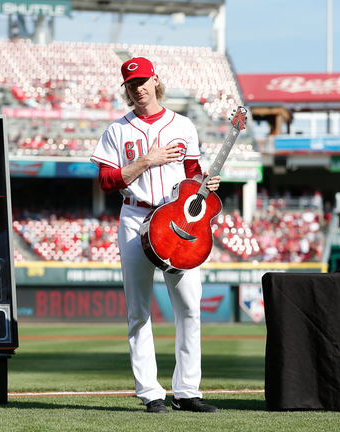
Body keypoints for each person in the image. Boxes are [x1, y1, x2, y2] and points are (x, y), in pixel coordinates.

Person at [90, 57, 221, 414]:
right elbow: (105, 182)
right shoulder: (117, 130)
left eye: (143, 81)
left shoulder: (183, 124)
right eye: (132, 84)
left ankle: (187, 391)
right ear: (126, 89)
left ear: (155, 80)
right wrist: (147, 161)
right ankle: (151, 392)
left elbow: (192, 174)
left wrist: (204, 184)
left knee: (190, 308)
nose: (139, 88)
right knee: (139, 312)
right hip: (136, 217)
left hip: (177, 222)